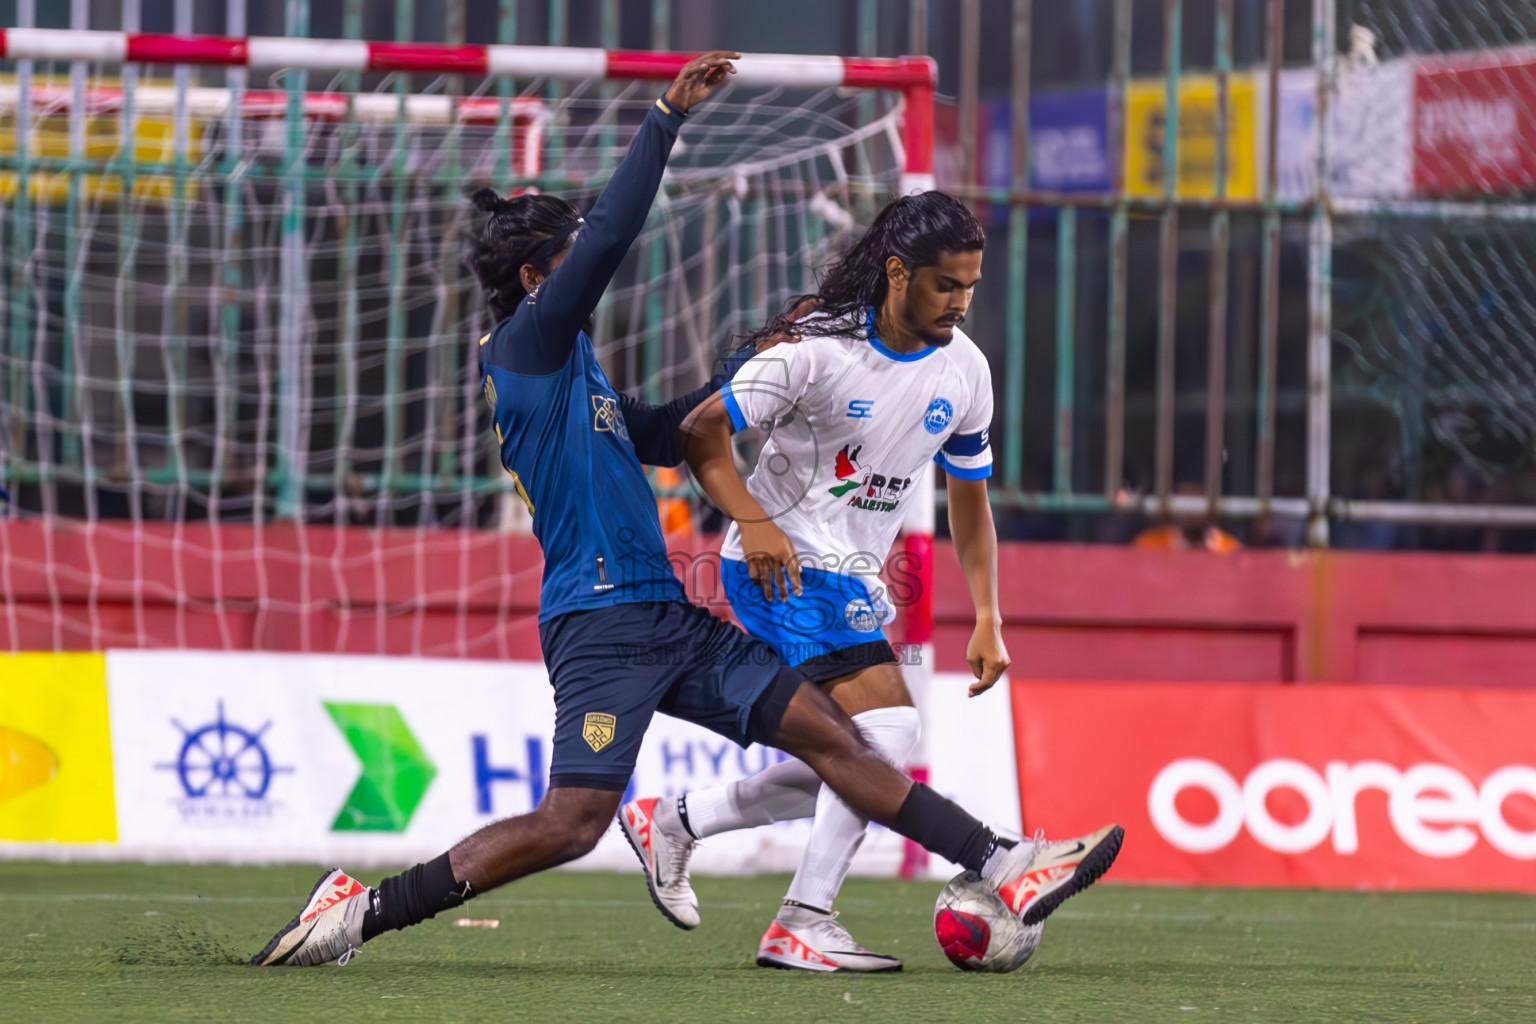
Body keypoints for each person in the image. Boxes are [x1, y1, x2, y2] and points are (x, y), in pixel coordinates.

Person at [249, 52, 1111, 969]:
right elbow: (615, 235)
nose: (592, 261)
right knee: (570, 824)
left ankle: (1004, 858)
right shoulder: (527, 347)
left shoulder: (575, 370)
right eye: (572, 253)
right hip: (601, 623)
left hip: (663, 613)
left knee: (839, 737)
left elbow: (668, 433)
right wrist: (664, 116)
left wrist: (755, 357)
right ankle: (364, 908)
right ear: (542, 276)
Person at [620, 192, 1123, 972]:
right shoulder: (815, 351)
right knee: (886, 735)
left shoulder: (967, 372)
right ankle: (810, 916)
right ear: (898, 273)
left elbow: (970, 500)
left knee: (850, 748)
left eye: (971, 287)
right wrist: (754, 521)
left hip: (850, 577)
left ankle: (681, 821)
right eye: (945, 286)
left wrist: (988, 615)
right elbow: (699, 431)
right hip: (777, 564)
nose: (960, 303)